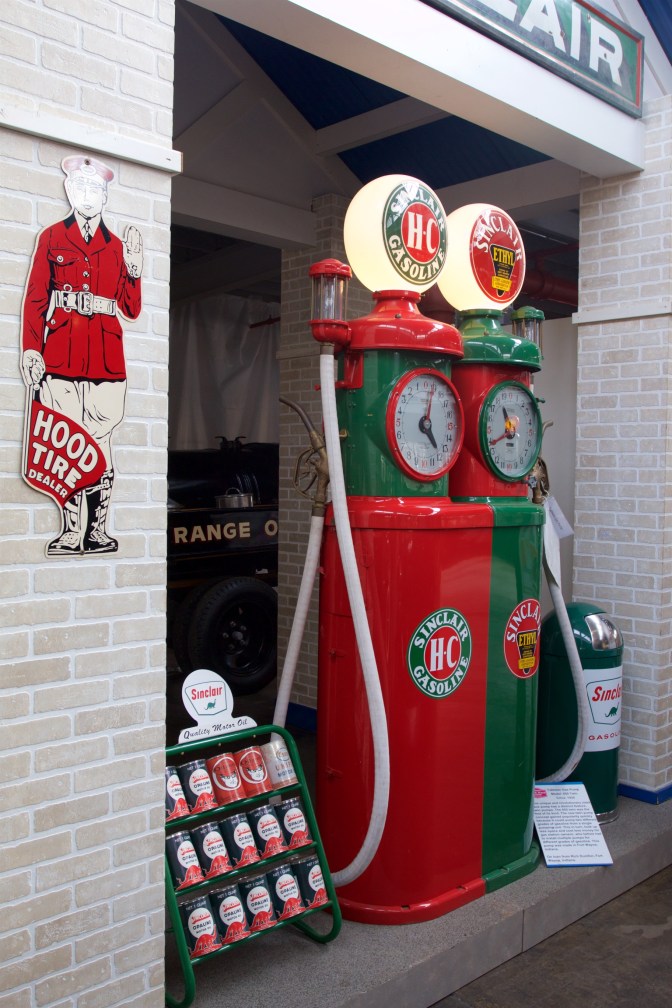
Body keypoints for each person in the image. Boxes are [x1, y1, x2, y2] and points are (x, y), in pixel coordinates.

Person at [20, 154, 143, 555]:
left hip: (106, 359)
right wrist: (30, 349)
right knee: (68, 444)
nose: (88, 195)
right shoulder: (53, 237)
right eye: (81, 187)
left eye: (96, 189)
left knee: (101, 442)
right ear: (70, 190)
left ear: (106, 196)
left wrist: (135, 271)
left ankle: (98, 530)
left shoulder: (118, 246)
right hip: (60, 357)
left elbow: (131, 308)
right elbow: (37, 298)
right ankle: (73, 531)